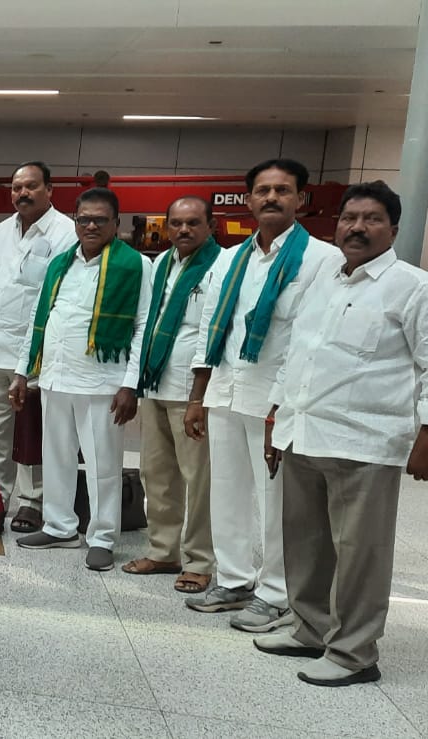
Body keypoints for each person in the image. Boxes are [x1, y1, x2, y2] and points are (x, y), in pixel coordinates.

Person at [256, 181, 428, 687]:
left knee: (359, 552)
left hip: (365, 442)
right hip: (304, 431)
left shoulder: (413, 287)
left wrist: (427, 433)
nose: (357, 227)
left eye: (372, 219)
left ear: (393, 229)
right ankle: (311, 629)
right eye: (350, 217)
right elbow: (296, 355)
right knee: (306, 543)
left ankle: (355, 653)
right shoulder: (324, 281)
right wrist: (275, 416)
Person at [183, 158, 343, 632]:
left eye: (282, 190)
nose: (272, 197)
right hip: (225, 391)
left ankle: (275, 594)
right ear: (249, 199)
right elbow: (209, 328)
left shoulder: (321, 260)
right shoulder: (231, 258)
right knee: (226, 492)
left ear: (300, 199)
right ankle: (234, 579)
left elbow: (311, 339)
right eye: (263, 190)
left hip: (277, 400)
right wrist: (198, 395)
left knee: (276, 502)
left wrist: (282, 402)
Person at [12, 188, 152, 572]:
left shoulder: (136, 265)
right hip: (55, 378)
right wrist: (23, 372)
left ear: (116, 223)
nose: (91, 226)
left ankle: (102, 537)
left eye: (100, 220)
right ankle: (59, 526)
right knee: (56, 458)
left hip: (102, 383)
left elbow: (143, 326)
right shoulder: (61, 263)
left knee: (102, 464)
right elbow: (40, 319)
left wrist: (130, 384)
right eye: (84, 219)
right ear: (75, 221)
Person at [123, 196, 218, 594]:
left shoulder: (219, 267)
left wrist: (198, 397)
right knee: (156, 473)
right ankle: (164, 551)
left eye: (193, 222)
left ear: (210, 225)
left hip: (190, 391)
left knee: (197, 479)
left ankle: (199, 560)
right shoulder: (161, 263)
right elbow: (148, 322)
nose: (183, 230)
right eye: (176, 223)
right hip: (156, 382)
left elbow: (214, 332)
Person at [0, 162, 76, 532]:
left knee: (31, 429)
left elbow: (54, 295)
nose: (22, 193)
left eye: (31, 186)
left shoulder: (65, 232)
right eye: (17, 187)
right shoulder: (0, 232)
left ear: (49, 190)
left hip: (34, 351)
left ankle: (32, 501)